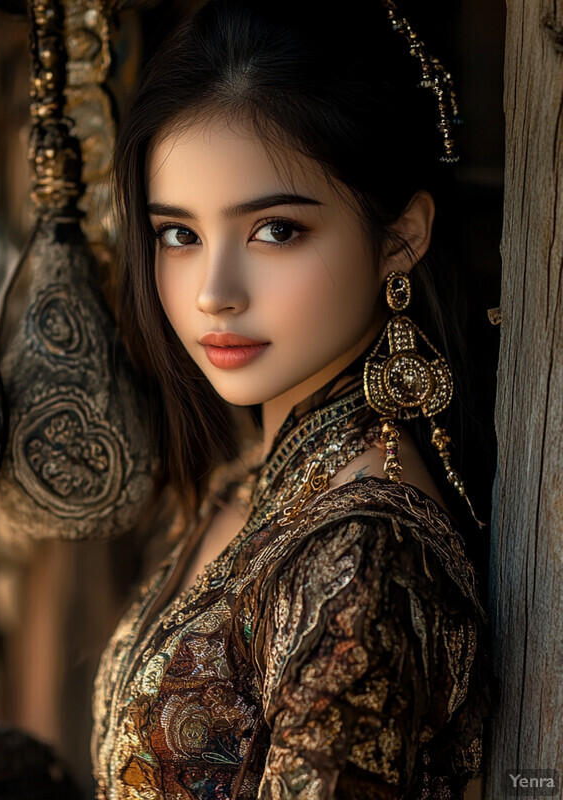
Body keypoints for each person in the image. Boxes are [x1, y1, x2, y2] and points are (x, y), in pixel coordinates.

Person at [90, 0, 495, 797]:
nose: (213, 294)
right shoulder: (247, 476)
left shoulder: (364, 558)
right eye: (179, 234)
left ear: (400, 237)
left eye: (274, 230)